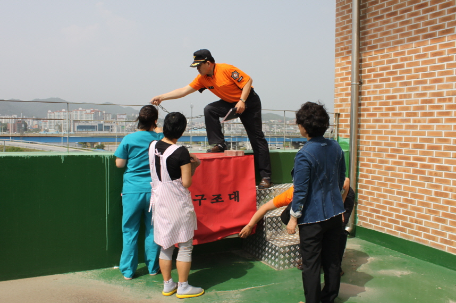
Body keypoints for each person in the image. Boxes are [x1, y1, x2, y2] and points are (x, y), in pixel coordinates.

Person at [150, 49, 272, 189]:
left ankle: (266, 176)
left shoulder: (226, 69)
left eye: (198, 65)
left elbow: (247, 81)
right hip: (230, 102)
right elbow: (184, 90)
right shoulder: (203, 78)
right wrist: (162, 97)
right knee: (210, 109)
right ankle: (219, 144)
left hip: (249, 101)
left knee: (256, 138)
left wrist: (242, 100)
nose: (197, 69)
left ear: (208, 63)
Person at [286, 102, 346, 303]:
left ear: (303, 127)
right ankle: (329, 297)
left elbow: (300, 191)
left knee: (311, 264)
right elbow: (340, 180)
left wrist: (293, 218)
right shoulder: (336, 147)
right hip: (335, 213)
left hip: (312, 218)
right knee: (332, 260)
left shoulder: (304, 154)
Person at [239, 178, 355, 276]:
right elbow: (265, 208)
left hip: (341, 196)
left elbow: (346, 181)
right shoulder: (291, 194)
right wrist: (250, 225)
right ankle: (314, 260)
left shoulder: (317, 191)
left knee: (337, 230)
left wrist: (340, 209)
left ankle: (336, 266)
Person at [148, 112, 204, 299]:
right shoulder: (181, 152)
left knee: (166, 245)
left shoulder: (153, 145)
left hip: (159, 200)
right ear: (181, 131)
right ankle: (183, 286)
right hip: (177, 202)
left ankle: (167, 284)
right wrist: (195, 164)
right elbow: (186, 182)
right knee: (185, 245)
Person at [114, 105, 164, 280]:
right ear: (155, 120)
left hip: (132, 191)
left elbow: (119, 164)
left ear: (138, 120)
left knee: (129, 231)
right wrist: (157, 127)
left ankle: (128, 271)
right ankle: (153, 267)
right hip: (154, 191)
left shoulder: (129, 138)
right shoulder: (160, 138)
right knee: (152, 230)